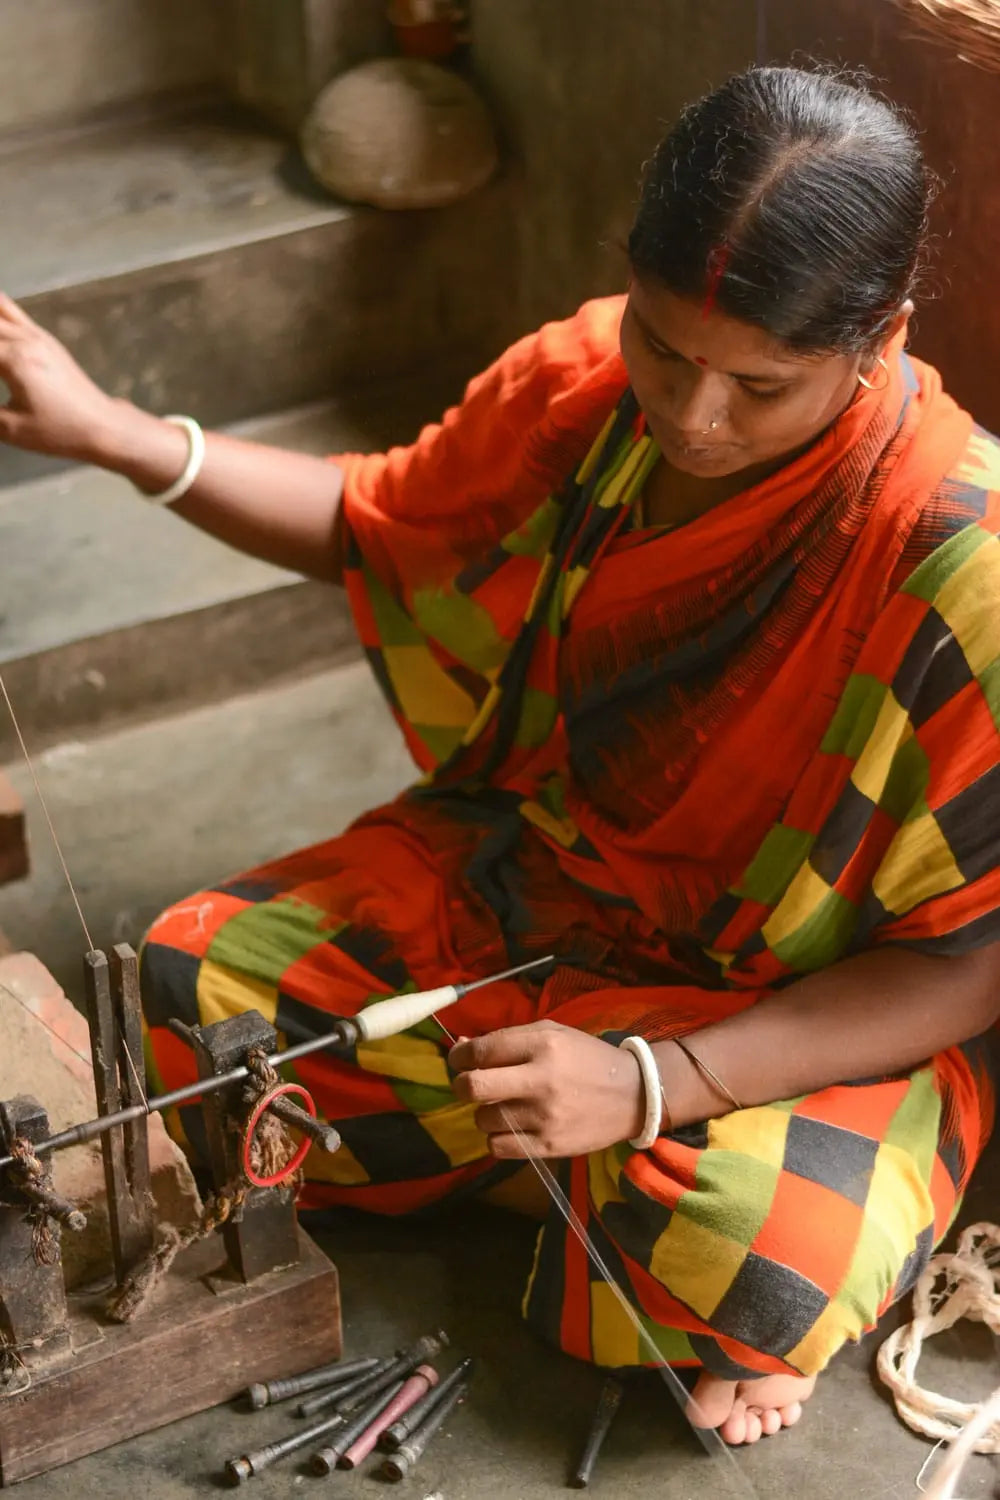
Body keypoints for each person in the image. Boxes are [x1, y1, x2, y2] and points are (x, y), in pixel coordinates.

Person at [1, 64, 998, 1448]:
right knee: (186, 994)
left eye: (761, 386)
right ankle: (558, 1177)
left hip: (776, 1015)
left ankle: (578, 1172)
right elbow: (375, 520)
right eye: (668, 350)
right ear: (629, 286)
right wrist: (114, 435)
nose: (694, 422)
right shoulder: (588, 386)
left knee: (745, 1247)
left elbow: (966, 965)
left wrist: (654, 1084)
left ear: (879, 336)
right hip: (527, 905)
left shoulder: (967, 567)